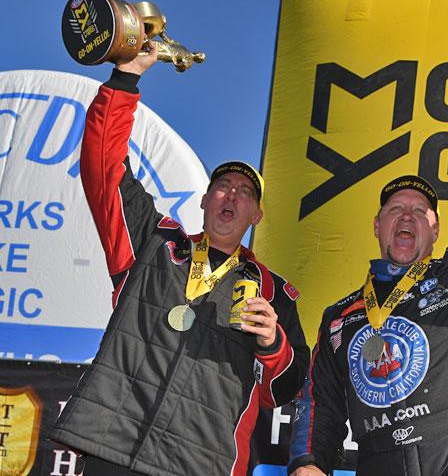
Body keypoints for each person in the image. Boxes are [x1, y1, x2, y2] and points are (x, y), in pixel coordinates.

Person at [49, 42, 309, 475]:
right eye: (224, 186)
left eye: (246, 193)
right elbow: (104, 170)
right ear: (206, 200)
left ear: (256, 214)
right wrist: (126, 77)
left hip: (198, 464)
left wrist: (271, 344)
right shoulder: (154, 243)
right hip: (110, 448)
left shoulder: (274, 292)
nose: (233, 194)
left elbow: (285, 389)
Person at [289, 97, 448, 475]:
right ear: (377, 225)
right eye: (395, 209)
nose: (407, 216)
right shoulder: (340, 316)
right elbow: (318, 402)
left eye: (420, 211)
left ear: (435, 229)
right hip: (378, 461)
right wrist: (307, 463)